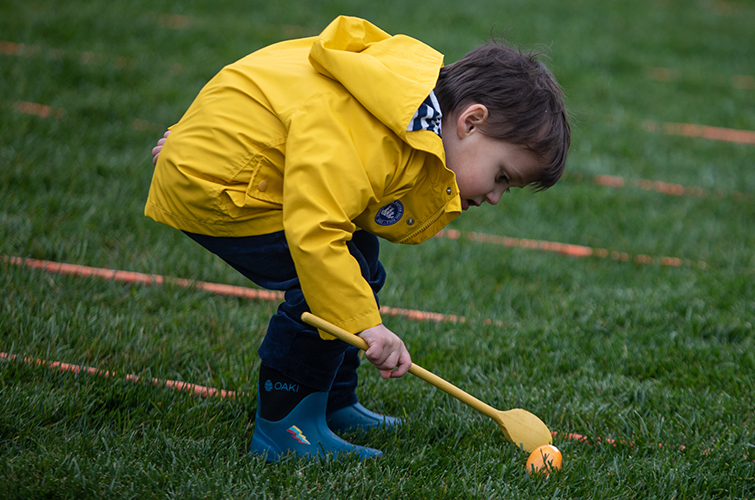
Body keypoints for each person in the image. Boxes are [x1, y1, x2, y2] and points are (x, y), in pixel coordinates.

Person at [145, 15, 569, 462]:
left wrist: (204, 136)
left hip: (243, 168)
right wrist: (364, 323)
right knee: (321, 286)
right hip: (221, 185)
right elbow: (317, 229)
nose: (498, 196)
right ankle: (285, 428)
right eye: (502, 175)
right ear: (471, 121)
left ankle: (331, 400)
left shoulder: (405, 109)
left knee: (359, 258)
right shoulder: (376, 130)